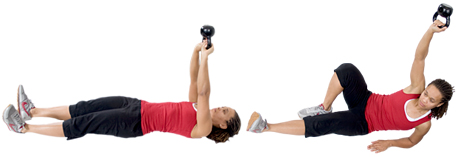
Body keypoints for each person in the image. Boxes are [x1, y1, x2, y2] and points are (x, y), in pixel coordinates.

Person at [247, 20, 454, 153]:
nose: (424, 98)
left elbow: (411, 142)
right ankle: (324, 107)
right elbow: (419, 58)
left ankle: (266, 127)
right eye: (427, 93)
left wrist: (389, 143)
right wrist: (430, 31)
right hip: (366, 99)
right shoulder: (417, 87)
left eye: (431, 100)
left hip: (362, 122)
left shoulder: (424, 123)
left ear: (439, 104)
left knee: (325, 125)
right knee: (347, 70)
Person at [3, 40, 241, 143]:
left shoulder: (204, 127)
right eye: (225, 106)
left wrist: (208, 59)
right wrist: (197, 51)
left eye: (225, 111)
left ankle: (23, 128)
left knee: (85, 123)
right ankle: (31, 111)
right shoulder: (199, 110)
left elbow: (203, 93)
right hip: (136, 105)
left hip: (134, 123)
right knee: (83, 108)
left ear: (222, 124)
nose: (221, 107)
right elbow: (193, 81)